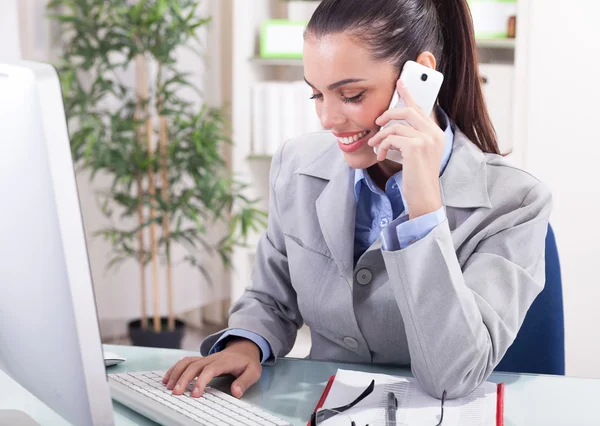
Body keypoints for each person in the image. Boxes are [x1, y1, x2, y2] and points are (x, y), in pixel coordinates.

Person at [162, 0, 552, 400]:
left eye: (350, 95)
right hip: (318, 407)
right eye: (316, 95)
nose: (328, 119)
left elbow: (454, 376)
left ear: (420, 76)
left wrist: (423, 207)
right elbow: (271, 298)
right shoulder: (296, 166)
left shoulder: (517, 203)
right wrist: (246, 345)